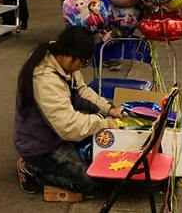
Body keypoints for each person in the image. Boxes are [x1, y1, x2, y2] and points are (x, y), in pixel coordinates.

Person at [14, 26, 123, 195]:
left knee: (102, 159)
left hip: (58, 134)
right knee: (89, 182)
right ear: (69, 55)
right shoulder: (45, 79)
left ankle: (70, 159)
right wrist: (102, 123)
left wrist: (109, 109)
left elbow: (81, 92)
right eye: (83, 62)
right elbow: (68, 127)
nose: (81, 67)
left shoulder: (61, 59)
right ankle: (30, 168)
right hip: (41, 148)